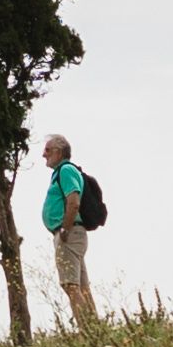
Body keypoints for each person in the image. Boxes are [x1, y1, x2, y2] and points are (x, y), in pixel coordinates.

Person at [39, 133, 99, 329]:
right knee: (81, 286)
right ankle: (95, 329)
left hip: (69, 233)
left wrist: (65, 228)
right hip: (73, 233)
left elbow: (73, 201)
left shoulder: (65, 171)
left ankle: (88, 331)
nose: (44, 154)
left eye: (47, 150)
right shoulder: (62, 172)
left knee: (70, 285)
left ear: (58, 151)